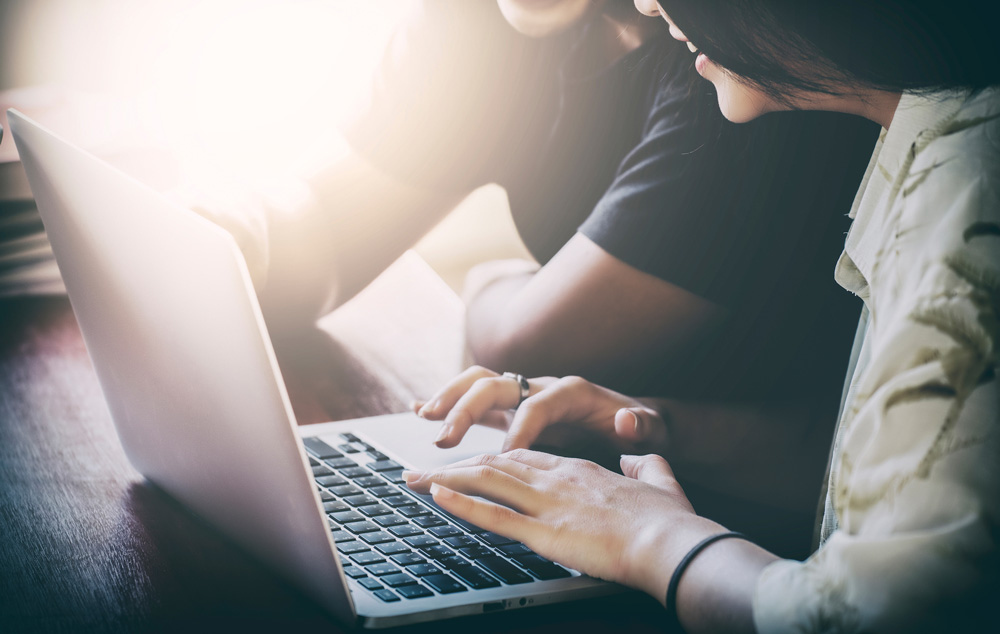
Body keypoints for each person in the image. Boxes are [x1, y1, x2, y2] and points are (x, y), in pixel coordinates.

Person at [194, 0, 877, 557]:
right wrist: (227, 228)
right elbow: (331, 235)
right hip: (626, 458)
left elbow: (530, 348)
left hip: (764, 509)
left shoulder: (732, 65)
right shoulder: (478, 24)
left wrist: (496, 281)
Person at [402, 1, 1000, 631]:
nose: (645, 3)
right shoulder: (930, 134)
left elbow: (867, 617)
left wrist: (647, 537)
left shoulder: (968, 204)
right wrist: (654, 427)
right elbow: (879, 474)